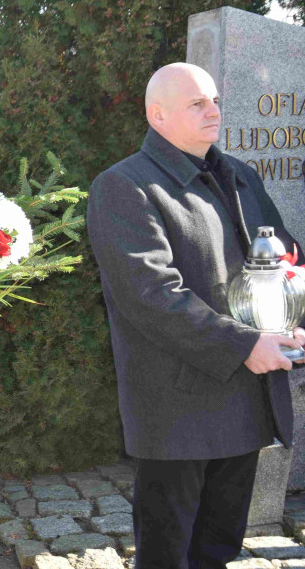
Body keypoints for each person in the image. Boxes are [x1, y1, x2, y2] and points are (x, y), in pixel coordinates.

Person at [87, 62, 304, 567]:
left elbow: (286, 257)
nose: (213, 111)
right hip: (177, 409)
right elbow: (152, 295)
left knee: (218, 548)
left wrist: (292, 313)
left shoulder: (240, 175)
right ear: (157, 115)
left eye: (215, 101)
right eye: (197, 103)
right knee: (170, 554)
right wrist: (245, 345)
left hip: (246, 398)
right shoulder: (125, 186)